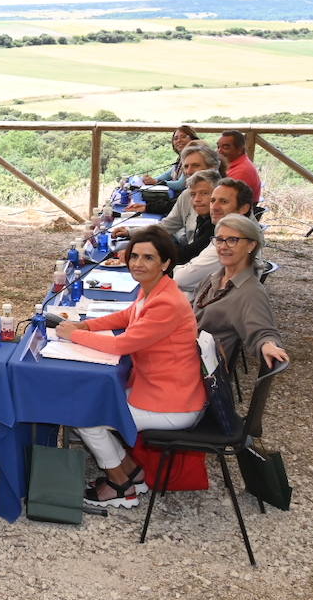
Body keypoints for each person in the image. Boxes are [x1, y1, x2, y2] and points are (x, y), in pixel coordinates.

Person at [57, 227, 203, 508]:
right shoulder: (156, 289)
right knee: (89, 407)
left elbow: (120, 346)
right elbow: (126, 315)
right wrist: (85, 325)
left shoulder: (167, 303)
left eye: (148, 258)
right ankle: (133, 473)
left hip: (173, 404)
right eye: (134, 256)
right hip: (163, 391)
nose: (138, 263)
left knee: (83, 415)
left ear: (165, 263)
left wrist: (72, 334)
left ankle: (119, 484)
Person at [193, 213, 290, 369]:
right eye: (219, 240)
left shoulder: (250, 292)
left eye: (232, 240)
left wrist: (267, 344)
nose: (223, 246)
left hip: (203, 369)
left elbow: (263, 330)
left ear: (251, 245)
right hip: (185, 353)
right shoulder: (213, 278)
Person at [113, 143, 218, 241]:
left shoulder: (220, 198)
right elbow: (166, 226)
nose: (189, 171)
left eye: (196, 165)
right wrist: (130, 232)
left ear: (212, 168)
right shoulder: (187, 194)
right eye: (186, 166)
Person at [173, 177, 255, 294]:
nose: (214, 207)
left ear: (243, 208)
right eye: (212, 201)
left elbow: (181, 279)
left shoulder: (231, 243)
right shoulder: (227, 232)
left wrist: (180, 268)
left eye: (223, 202)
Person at [174, 169, 219, 263]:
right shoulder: (203, 218)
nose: (197, 199)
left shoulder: (217, 224)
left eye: (204, 193)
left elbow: (191, 253)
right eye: (193, 194)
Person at [142, 125, 199, 190]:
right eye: (175, 138)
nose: (179, 140)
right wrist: (150, 180)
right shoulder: (181, 159)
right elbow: (168, 174)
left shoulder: (195, 158)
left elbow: (181, 185)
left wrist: (156, 182)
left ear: (193, 139)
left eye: (183, 137)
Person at [217, 130, 262, 204]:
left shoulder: (242, 171)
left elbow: (227, 201)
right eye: (218, 146)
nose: (219, 151)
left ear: (240, 149)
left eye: (225, 147)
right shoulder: (234, 164)